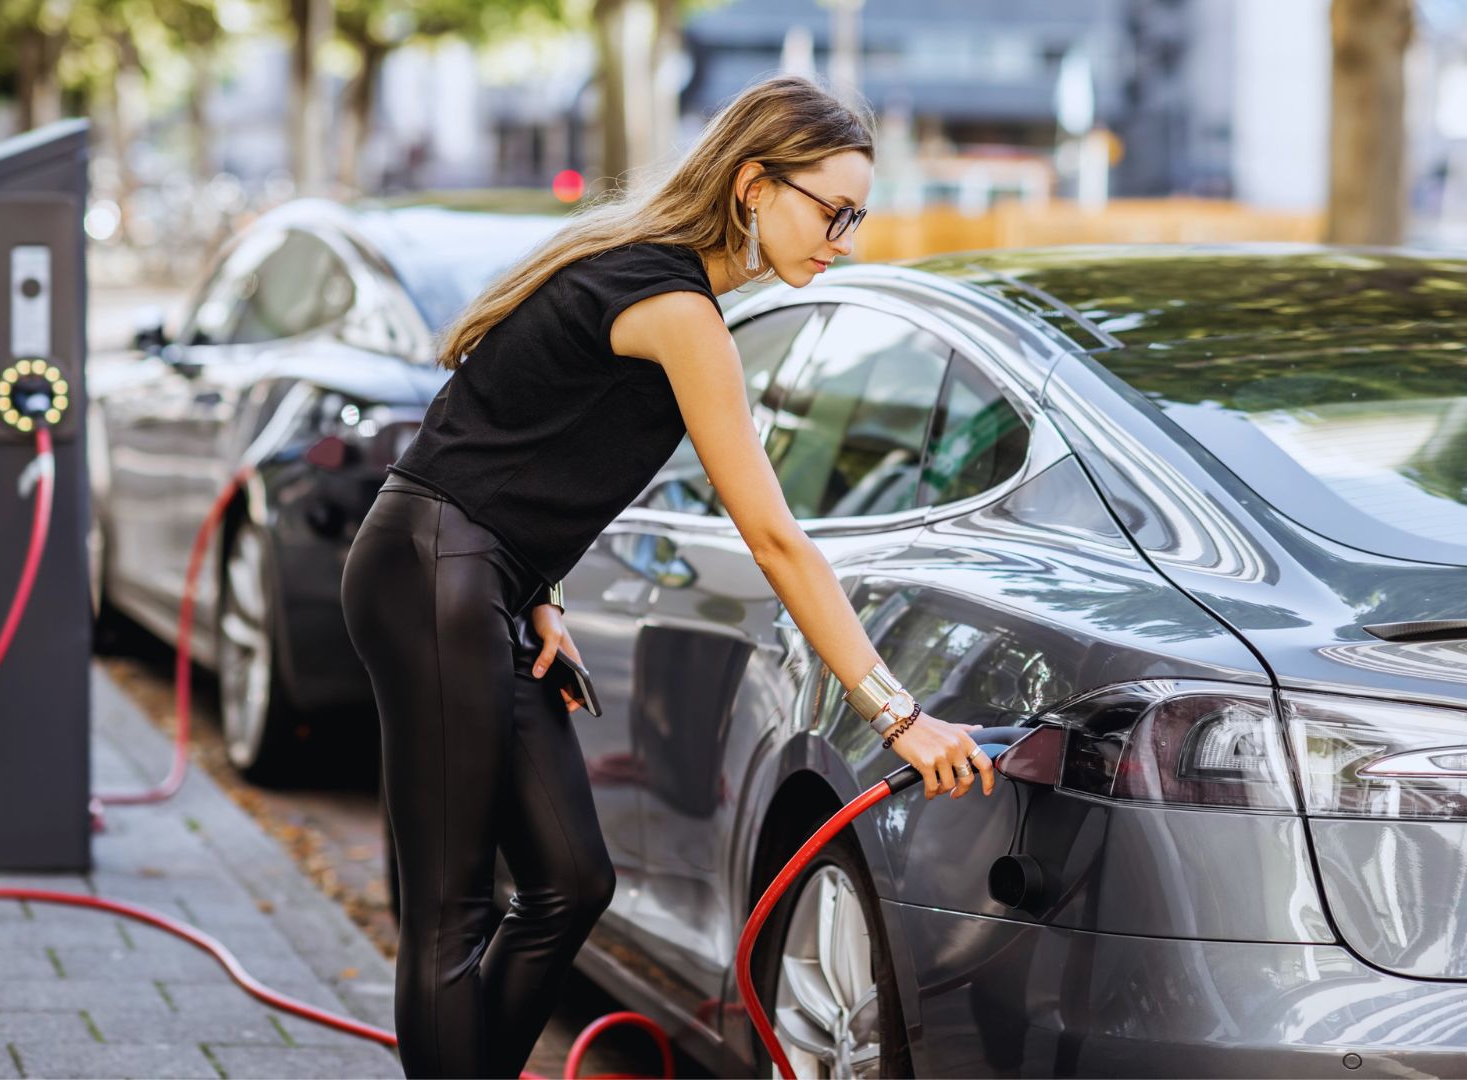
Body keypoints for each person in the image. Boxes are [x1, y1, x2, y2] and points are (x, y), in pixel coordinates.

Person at [339, 73, 998, 1080]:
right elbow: (777, 540)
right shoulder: (670, 301)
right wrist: (898, 714)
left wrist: (539, 588)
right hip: (435, 570)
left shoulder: (650, 279)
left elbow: (517, 426)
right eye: (835, 210)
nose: (846, 238)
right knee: (453, 910)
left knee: (569, 884)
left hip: (478, 576)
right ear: (753, 187)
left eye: (858, 216)